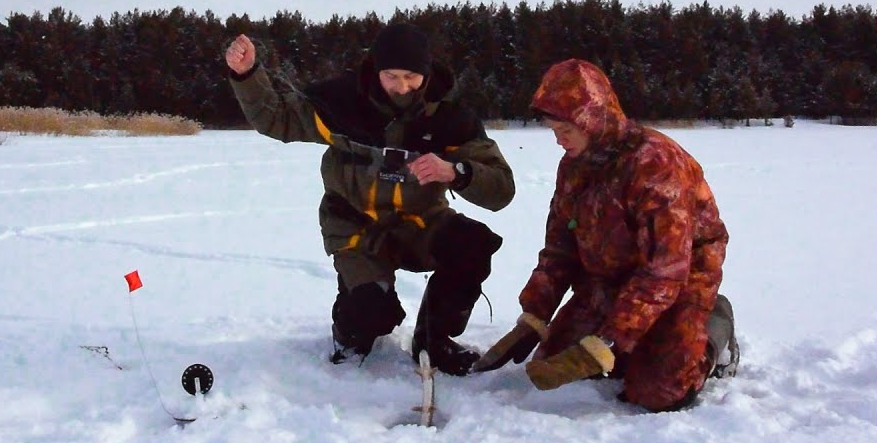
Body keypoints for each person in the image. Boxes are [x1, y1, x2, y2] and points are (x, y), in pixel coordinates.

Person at [224, 23, 514, 375]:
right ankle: (351, 331)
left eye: (411, 76)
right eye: (391, 76)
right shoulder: (341, 103)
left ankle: (433, 339)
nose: (401, 87)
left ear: (426, 73)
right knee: (372, 312)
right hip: (355, 228)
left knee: (472, 243)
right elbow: (276, 118)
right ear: (376, 70)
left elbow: (502, 189)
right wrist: (247, 75)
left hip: (419, 223)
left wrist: (457, 171)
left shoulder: (450, 118)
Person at [473, 58, 738, 411]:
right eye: (554, 131)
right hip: (609, 275)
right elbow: (559, 250)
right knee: (557, 364)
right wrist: (534, 316)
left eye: (566, 131)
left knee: (659, 391)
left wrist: (610, 341)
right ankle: (633, 337)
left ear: (593, 120)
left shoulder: (655, 164)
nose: (558, 141)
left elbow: (664, 271)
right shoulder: (574, 167)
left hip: (680, 277)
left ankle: (713, 326)